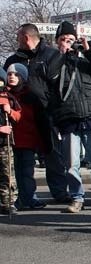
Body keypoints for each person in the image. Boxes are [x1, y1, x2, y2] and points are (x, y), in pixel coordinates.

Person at [46, 21, 91, 213]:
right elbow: (50, 77)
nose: (69, 43)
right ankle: (77, 198)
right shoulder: (54, 62)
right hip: (68, 120)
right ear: (57, 42)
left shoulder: (86, 61)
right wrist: (62, 53)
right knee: (71, 165)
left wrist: (89, 50)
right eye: (64, 39)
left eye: (71, 39)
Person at [3, 23, 69, 203]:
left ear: (26, 37)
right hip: (20, 116)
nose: (17, 41)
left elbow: (59, 86)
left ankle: (59, 192)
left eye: (18, 37)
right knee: (23, 160)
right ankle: (25, 195)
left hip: (46, 113)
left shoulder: (51, 55)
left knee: (53, 154)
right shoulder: (13, 60)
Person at [5, 63, 47, 211]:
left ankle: (29, 198)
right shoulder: (4, 95)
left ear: (23, 78)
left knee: (27, 172)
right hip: (10, 141)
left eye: (16, 75)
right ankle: (16, 199)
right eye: (9, 74)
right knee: (14, 172)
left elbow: (35, 119)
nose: (12, 77)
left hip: (27, 140)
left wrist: (42, 143)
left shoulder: (30, 96)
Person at [0, 68, 21, 215]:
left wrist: (10, 112)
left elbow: (19, 116)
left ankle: (8, 201)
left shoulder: (9, 97)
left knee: (7, 173)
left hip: (4, 144)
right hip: (2, 134)